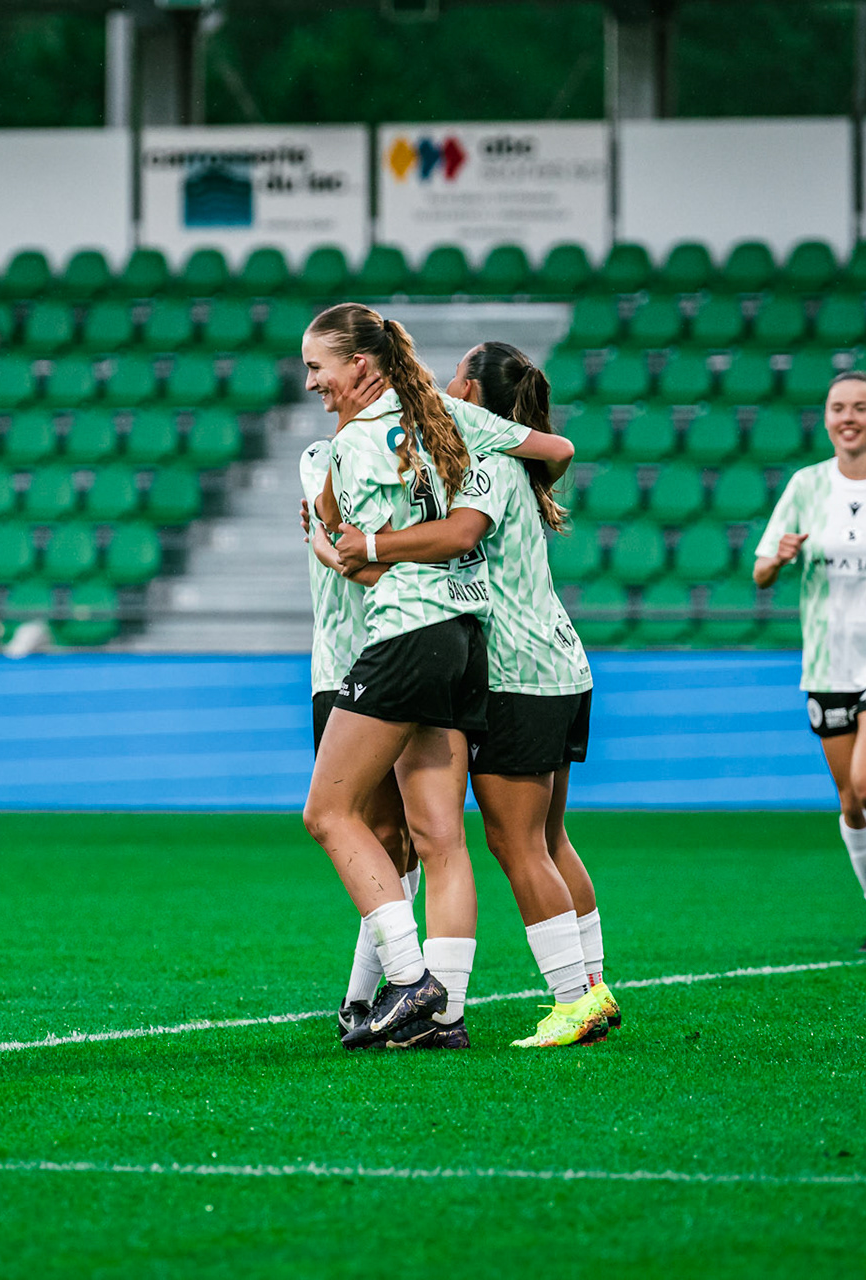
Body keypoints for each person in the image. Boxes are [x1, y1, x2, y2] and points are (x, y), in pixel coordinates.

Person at [299, 303, 573, 1050]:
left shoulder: (354, 444)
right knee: (439, 838)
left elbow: (357, 562)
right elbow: (556, 445)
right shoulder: (451, 417)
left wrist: (337, 542)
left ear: (361, 365)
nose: (312, 383)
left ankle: (411, 981)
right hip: (465, 636)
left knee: (328, 813)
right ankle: (442, 1018)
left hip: (406, 634)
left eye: (318, 368)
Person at [752, 370, 866, 952]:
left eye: (861, 407)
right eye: (839, 407)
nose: (849, 417)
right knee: (851, 802)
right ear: (828, 418)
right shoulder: (806, 486)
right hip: (830, 660)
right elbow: (760, 573)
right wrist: (779, 558)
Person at [298, 436, 420, 1044]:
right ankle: (369, 995)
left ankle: (377, 996)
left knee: (410, 838)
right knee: (376, 832)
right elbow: (344, 550)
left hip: (404, 653)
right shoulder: (326, 454)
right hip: (345, 667)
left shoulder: (412, 455)